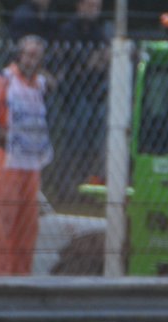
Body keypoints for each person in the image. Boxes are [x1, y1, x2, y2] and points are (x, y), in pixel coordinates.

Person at [0, 35, 53, 275]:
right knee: (1, 225)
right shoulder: (2, 80)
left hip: (30, 166)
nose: (32, 60)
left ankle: (21, 281)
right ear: (18, 55)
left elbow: (53, 83)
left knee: (27, 228)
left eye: (37, 56)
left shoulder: (38, 84)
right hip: (5, 163)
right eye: (28, 55)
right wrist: (4, 137)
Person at [53, 0, 109, 201]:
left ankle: (89, 185)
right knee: (74, 140)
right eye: (90, 5)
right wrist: (89, 63)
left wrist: (99, 61)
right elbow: (69, 64)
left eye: (97, 6)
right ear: (80, 6)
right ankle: (66, 187)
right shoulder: (68, 30)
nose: (94, 10)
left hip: (94, 93)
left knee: (94, 141)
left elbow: (104, 56)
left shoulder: (98, 31)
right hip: (74, 94)